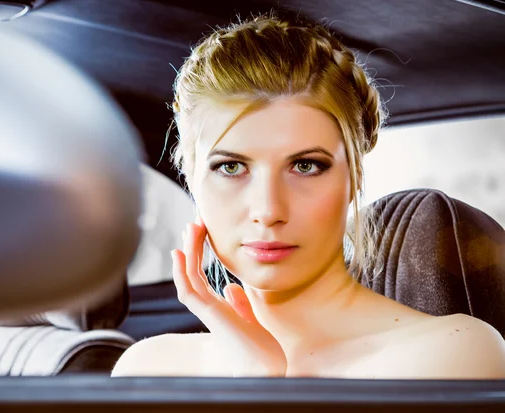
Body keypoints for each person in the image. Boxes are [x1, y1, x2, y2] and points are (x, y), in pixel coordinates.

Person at [112, 14, 505, 379]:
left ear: (353, 177)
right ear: (191, 179)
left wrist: (261, 391)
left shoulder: (452, 354)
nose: (268, 211)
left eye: (305, 166)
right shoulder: (148, 366)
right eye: (231, 167)